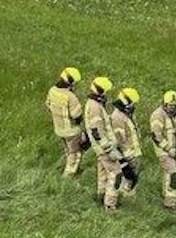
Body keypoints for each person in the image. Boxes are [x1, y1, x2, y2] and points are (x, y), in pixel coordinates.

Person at [84, 77, 134, 210]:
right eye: (104, 91)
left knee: (103, 172)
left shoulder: (94, 104)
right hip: (104, 148)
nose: (105, 94)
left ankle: (101, 196)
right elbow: (97, 131)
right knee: (116, 173)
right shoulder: (95, 107)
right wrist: (109, 148)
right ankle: (110, 204)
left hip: (100, 148)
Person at [45, 66, 86, 177]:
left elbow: (48, 105)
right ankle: (69, 176)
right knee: (75, 153)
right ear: (71, 83)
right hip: (71, 131)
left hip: (59, 128)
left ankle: (67, 166)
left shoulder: (52, 91)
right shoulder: (70, 96)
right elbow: (77, 115)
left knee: (67, 150)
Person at [149, 90, 176, 209]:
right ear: (164, 104)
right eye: (170, 106)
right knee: (172, 173)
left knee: (171, 173)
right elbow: (156, 135)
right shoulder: (158, 115)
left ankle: (168, 195)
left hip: (175, 149)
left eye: (175, 106)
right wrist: (168, 148)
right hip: (163, 150)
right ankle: (170, 203)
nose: (172, 108)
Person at [110, 87, 142, 196]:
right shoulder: (118, 117)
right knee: (128, 177)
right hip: (128, 154)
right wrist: (128, 156)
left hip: (132, 152)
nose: (133, 106)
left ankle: (128, 195)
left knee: (133, 177)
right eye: (132, 103)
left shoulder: (126, 114)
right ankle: (123, 196)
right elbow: (120, 139)